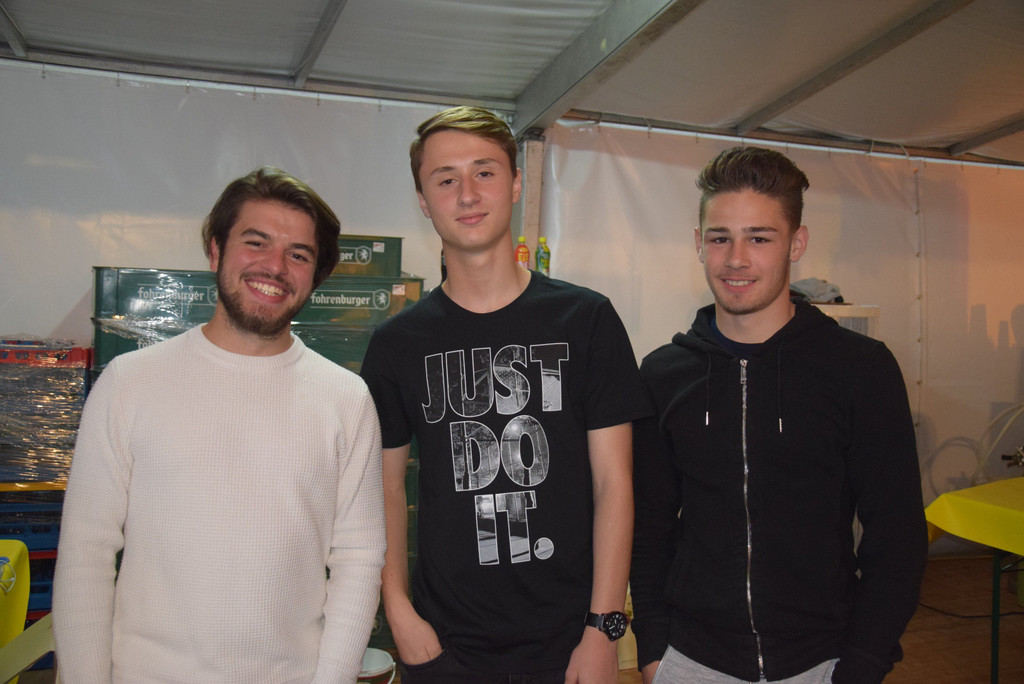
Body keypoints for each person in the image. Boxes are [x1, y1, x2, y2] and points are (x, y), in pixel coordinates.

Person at [53, 166, 386, 682]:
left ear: (314, 276)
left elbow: (359, 560)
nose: (275, 266)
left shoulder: (346, 400)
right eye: (256, 242)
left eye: (298, 254)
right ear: (215, 250)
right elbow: (85, 554)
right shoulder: (129, 383)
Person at [359, 106, 651, 683]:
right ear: (423, 200)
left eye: (485, 172)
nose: (467, 194)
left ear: (516, 183)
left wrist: (603, 628)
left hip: (570, 644)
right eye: (446, 179)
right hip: (445, 648)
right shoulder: (397, 344)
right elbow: (383, 489)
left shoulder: (585, 319)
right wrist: (399, 612)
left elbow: (614, 483)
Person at [630, 146, 928, 684]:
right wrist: (653, 649)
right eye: (720, 238)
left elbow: (897, 535)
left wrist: (863, 663)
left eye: (760, 238)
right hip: (691, 661)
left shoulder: (860, 369)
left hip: (821, 662)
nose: (736, 259)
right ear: (698, 244)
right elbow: (649, 526)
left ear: (797, 242)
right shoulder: (663, 374)